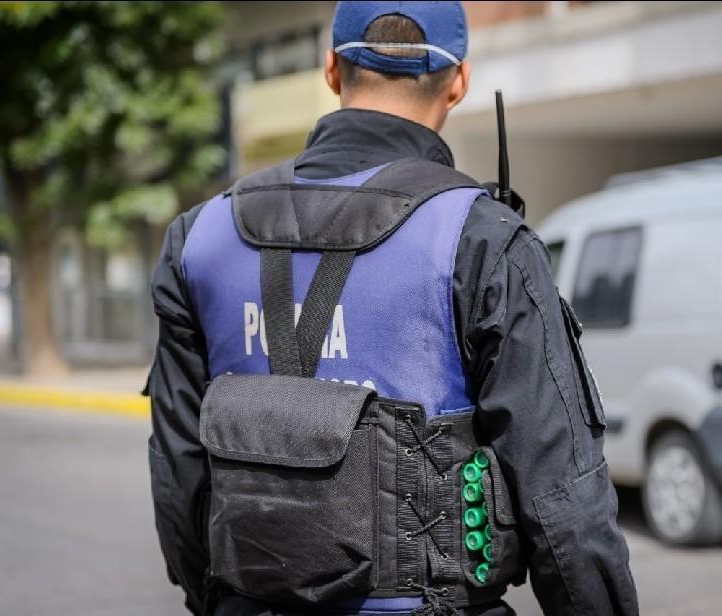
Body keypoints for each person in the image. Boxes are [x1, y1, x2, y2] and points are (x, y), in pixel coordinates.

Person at [146, 2, 638, 615]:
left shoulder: (199, 239)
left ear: (332, 69)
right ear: (459, 81)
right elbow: (565, 506)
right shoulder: (480, 239)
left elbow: (178, 473)